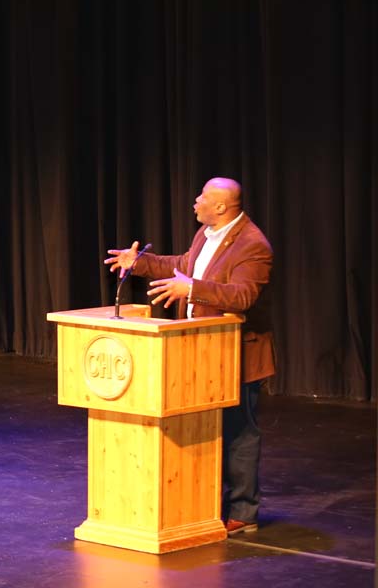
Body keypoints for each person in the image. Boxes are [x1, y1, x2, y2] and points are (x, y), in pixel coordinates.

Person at [105, 176, 274, 536]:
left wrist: (193, 288)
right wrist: (140, 263)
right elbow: (184, 264)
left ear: (221, 207)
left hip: (236, 354)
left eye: (202, 197)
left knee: (239, 431)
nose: (194, 201)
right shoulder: (206, 235)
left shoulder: (253, 244)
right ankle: (205, 504)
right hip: (199, 350)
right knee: (207, 431)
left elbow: (243, 296)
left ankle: (244, 512)